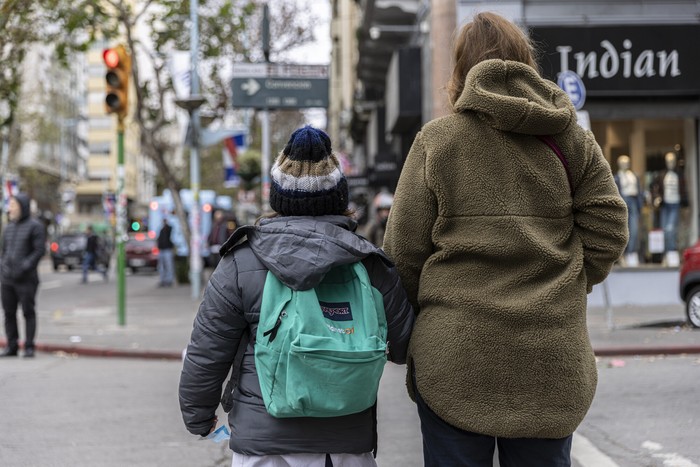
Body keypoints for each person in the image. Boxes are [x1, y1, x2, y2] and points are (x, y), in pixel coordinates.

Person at [382, 12, 629, 467]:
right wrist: (569, 278)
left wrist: (412, 333)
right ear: (526, 62)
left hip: (453, 360)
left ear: (459, 71)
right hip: (549, 360)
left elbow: (402, 254)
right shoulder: (571, 138)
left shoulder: (438, 141)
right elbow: (610, 225)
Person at [179, 126, 414, 466]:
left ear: (277, 198)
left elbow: (206, 353)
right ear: (339, 198)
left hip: (264, 446)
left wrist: (198, 418)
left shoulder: (241, 264)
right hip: (346, 445)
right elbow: (403, 346)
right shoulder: (369, 264)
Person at [0, 193, 47, 358]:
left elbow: (39, 250)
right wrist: (3, 266)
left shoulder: (36, 226)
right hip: (7, 279)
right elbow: (4, 251)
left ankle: (28, 346)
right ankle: (12, 346)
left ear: (22, 207)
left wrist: (25, 267)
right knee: (9, 313)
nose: (10, 208)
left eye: (13, 205)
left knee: (28, 312)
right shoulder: (8, 227)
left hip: (26, 279)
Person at [652, 151, 687, 265]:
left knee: (671, 229)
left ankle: (671, 251)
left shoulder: (679, 174)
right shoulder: (662, 175)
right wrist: (657, 198)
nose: (670, 163)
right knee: (664, 230)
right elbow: (654, 186)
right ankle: (666, 254)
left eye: (672, 161)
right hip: (665, 205)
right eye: (668, 161)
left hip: (675, 204)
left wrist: (685, 203)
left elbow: (684, 190)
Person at [614, 155, 643, 266]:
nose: (625, 164)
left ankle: (632, 252)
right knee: (622, 229)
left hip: (633, 200)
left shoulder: (633, 176)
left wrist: (640, 205)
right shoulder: (616, 177)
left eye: (626, 162)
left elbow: (639, 191)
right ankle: (623, 255)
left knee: (634, 229)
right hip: (623, 200)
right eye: (622, 162)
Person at [157, 218, 174, 287]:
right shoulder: (161, 230)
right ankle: (163, 280)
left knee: (168, 266)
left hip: (167, 250)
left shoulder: (169, 229)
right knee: (161, 266)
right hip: (162, 250)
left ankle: (169, 280)